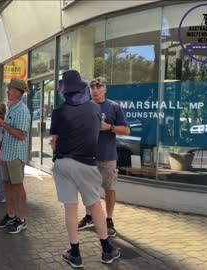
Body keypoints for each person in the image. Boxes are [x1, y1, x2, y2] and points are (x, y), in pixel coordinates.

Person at [50, 70, 120, 268]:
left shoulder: (59, 111)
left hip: (63, 163)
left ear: (65, 91)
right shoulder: (94, 109)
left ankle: (75, 253)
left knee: (70, 208)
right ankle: (107, 249)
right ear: (82, 88)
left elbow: (55, 142)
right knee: (95, 205)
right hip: (87, 163)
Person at [78, 76, 130, 238]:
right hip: (87, 156)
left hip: (107, 156)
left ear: (105, 89)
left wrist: (110, 127)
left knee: (109, 189)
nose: (95, 90)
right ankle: (89, 216)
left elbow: (126, 130)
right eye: (92, 88)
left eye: (98, 87)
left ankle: (109, 220)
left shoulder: (114, 107)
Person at [0, 79, 31, 234]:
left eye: (10, 89)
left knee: (17, 186)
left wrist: (3, 125)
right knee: (8, 185)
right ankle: (11, 215)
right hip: (7, 153)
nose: (8, 91)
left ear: (18, 91)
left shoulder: (22, 110)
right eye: (8, 88)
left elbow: (22, 135)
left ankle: (21, 220)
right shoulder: (12, 108)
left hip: (15, 155)